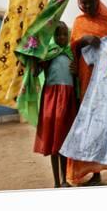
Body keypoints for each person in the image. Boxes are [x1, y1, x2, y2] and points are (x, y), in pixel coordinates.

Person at [67, 0, 107, 186]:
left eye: (91, 2)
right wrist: (83, 41)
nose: (87, 6)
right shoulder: (79, 22)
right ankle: (96, 174)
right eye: (84, 2)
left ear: (98, 0)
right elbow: (72, 49)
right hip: (86, 81)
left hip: (106, 83)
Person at [32, 21, 77, 188]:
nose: (61, 37)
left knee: (64, 141)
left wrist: (76, 71)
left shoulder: (71, 54)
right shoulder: (48, 54)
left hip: (68, 100)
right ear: (53, 36)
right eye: (58, 34)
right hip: (52, 99)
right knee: (54, 142)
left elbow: (77, 75)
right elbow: (36, 72)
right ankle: (57, 182)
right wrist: (34, 57)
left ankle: (65, 180)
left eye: (64, 34)